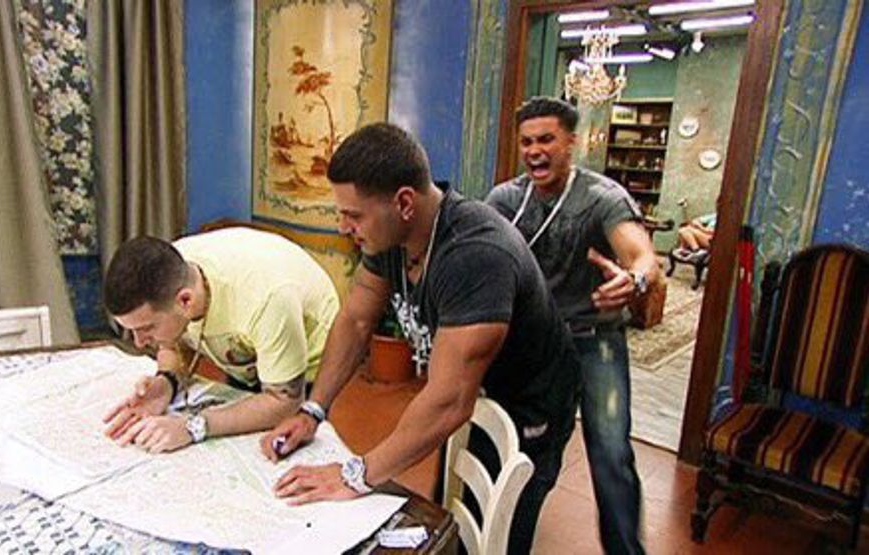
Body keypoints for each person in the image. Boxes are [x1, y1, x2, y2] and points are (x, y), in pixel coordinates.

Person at [259, 122, 581, 554]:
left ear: (404, 203)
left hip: (531, 401)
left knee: (500, 532)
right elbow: (356, 320)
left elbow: (448, 402)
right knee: (449, 515)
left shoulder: (475, 255)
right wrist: (313, 410)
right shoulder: (391, 235)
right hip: (474, 388)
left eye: (353, 215)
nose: (343, 227)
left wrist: (355, 475)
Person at [485, 96, 660, 555]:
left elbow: (643, 257)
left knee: (611, 452)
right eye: (527, 142)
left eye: (546, 139)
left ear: (571, 143)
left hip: (594, 340)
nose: (535, 151)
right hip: (533, 347)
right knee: (513, 444)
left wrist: (635, 280)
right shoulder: (505, 200)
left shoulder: (602, 198)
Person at [100, 228, 340, 453]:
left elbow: (285, 402)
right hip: (249, 352)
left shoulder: (267, 300)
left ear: (185, 301)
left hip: (313, 367)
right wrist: (167, 381)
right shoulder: (170, 272)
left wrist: (192, 427)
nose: (139, 343)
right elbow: (173, 345)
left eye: (147, 329)